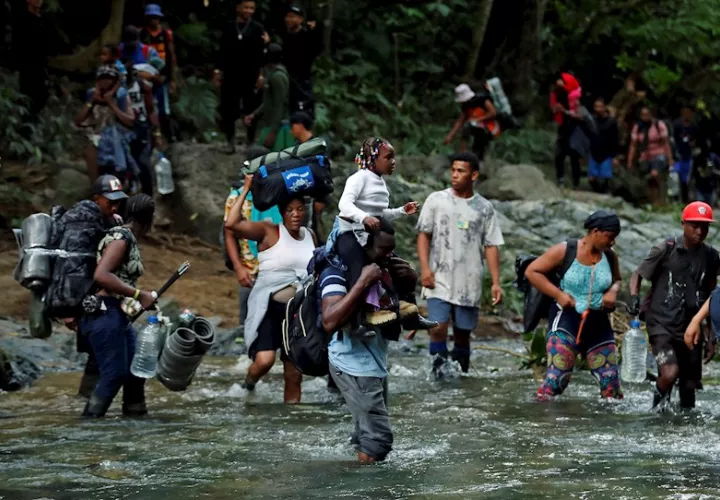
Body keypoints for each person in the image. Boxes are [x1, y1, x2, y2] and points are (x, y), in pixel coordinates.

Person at [224, 177, 316, 404]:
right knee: (264, 362)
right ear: (281, 213)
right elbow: (231, 224)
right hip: (271, 311)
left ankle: (290, 424)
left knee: (294, 375)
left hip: (297, 315)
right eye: (290, 210)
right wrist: (245, 189)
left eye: (299, 209)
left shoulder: (310, 236)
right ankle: (249, 384)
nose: (296, 214)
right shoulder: (268, 231)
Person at [330, 137, 433, 335]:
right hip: (350, 233)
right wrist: (363, 217)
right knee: (358, 269)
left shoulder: (379, 182)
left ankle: (410, 314)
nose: (393, 161)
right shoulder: (359, 178)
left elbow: (380, 214)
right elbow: (344, 205)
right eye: (388, 157)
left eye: (393, 157)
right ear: (373, 159)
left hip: (371, 236)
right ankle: (356, 321)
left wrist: (402, 211)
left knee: (401, 269)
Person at [321, 219, 404, 463]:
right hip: (353, 364)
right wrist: (362, 282)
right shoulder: (336, 272)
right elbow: (329, 320)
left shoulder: (382, 269)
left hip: (374, 363)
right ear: (364, 245)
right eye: (384, 249)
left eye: (392, 249)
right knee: (378, 441)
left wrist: (407, 281)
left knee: (365, 436)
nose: (389, 255)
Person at [416, 152, 504, 376]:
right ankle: (437, 375)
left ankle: (461, 376)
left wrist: (495, 282)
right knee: (437, 328)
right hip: (438, 276)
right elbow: (424, 235)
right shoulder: (436, 200)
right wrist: (425, 268)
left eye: (461, 171)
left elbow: (491, 245)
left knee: (463, 333)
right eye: (453, 170)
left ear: (474, 175)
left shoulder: (484, 208)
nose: (454, 175)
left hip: (469, 280)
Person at [629, 202, 719, 410]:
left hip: (691, 328)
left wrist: (711, 332)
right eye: (695, 225)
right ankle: (655, 409)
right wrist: (634, 296)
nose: (700, 231)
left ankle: (682, 431)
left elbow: (713, 295)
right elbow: (638, 274)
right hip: (661, 324)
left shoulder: (712, 257)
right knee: (669, 373)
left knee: (689, 388)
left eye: (704, 226)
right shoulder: (666, 249)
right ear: (683, 224)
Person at [525, 211, 623, 400]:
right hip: (566, 319)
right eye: (610, 237)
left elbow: (617, 279)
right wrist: (558, 294)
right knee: (556, 381)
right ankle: (541, 422)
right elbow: (532, 271)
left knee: (610, 386)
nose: (612, 243)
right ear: (595, 231)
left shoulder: (610, 256)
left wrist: (613, 291)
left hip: (598, 322)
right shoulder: (565, 250)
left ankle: (609, 427)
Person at [79, 194, 157, 417]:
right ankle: (88, 426)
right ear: (148, 218)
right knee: (113, 375)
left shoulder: (126, 236)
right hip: (104, 312)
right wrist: (139, 294)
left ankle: (135, 422)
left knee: (135, 372)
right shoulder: (121, 238)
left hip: (118, 313)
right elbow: (102, 275)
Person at [75, 175, 129, 399]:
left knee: (96, 355)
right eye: (110, 201)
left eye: (118, 202)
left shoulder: (111, 222)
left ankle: (83, 398)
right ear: (96, 199)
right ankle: (87, 407)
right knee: (98, 354)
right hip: (82, 299)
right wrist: (69, 311)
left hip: (100, 299)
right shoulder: (80, 222)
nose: (115, 206)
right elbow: (74, 266)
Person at [223, 147, 283, 330]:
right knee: (248, 318)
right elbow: (229, 233)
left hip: (277, 268)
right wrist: (238, 267)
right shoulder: (237, 198)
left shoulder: (278, 195)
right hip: (250, 269)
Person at [216, 0, 268, 153]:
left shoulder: (258, 28)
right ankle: (229, 141)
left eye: (252, 8)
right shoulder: (229, 27)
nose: (249, 11)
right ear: (238, 7)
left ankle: (250, 142)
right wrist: (218, 71)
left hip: (250, 74)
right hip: (230, 74)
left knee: (250, 107)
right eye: (246, 7)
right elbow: (222, 50)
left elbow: (261, 53)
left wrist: (261, 74)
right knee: (228, 108)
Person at [74, 65, 136, 188]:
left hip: (119, 134)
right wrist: (92, 101)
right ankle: (96, 187)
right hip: (98, 134)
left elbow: (130, 121)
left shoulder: (121, 95)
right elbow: (78, 120)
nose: (105, 82)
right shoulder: (92, 94)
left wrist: (110, 103)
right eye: (102, 79)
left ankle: (123, 182)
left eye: (109, 79)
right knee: (91, 150)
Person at [245, 43, 294, 152]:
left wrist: (273, 131)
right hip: (271, 124)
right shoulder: (272, 75)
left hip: (279, 127)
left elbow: (279, 104)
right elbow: (268, 102)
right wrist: (254, 114)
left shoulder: (277, 77)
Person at [277, 4, 323, 116]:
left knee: (302, 111)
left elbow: (317, 49)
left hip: (302, 80)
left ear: (300, 19)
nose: (289, 20)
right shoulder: (286, 36)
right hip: (286, 78)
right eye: (287, 16)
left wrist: (314, 33)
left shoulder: (307, 36)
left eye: (293, 17)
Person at [140, 4, 177, 142]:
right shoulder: (142, 34)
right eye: (150, 18)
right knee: (147, 105)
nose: (153, 20)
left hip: (163, 75)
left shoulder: (166, 34)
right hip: (147, 74)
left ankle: (170, 136)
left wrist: (172, 79)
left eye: (155, 17)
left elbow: (171, 55)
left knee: (164, 107)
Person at [289, 111, 328, 240]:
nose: (291, 131)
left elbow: (324, 173)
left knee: (312, 231)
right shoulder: (297, 147)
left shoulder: (316, 146)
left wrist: (321, 199)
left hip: (313, 197)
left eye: (292, 127)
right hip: (300, 195)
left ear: (300, 126)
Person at [627, 106, 675, 206]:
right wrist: (630, 161)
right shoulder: (638, 127)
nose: (644, 117)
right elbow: (633, 145)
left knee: (655, 174)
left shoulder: (658, 125)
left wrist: (670, 159)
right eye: (642, 115)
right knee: (648, 180)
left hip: (659, 155)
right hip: (644, 156)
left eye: (646, 114)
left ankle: (660, 200)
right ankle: (652, 201)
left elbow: (666, 143)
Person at [124, 58, 158, 196]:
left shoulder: (142, 86)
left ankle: (148, 193)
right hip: (124, 127)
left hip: (141, 126)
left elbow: (150, 108)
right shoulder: (117, 88)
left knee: (142, 160)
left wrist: (155, 127)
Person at [444, 83, 499, 166]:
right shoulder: (466, 107)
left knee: (469, 128)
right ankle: (465, 157)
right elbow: (460, 121)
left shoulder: (482, 100)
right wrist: (450, 136)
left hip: (490, 129)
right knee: (476, 150)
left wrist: (478, 119)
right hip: (478, 129)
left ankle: (467, 157)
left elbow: (493, 112)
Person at [13, 0, 49, 118]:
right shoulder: (23, 19)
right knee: (28, 97)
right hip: (28, 66)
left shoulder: (42, 20)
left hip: (41, 66)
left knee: (41, 97)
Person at [550, 73, 584, 188]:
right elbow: (553, 109)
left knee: (574, 155)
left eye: (562, 81)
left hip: (574, 128)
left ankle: (576, 183)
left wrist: (565, 111)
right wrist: (557, 109)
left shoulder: (575, 95)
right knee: (559, 155)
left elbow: (580, 115)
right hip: (562, 128)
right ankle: (560, 180)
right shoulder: (556, 94)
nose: (559, 82)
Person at [588, 98, 619, 194]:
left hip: (607, 153)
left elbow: (615, 139)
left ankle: (604, 194)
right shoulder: (592, 120)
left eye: (600, 107)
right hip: (594, 152)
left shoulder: (611, 122)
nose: (598, 109)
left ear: (604, 107)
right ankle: (598, 192)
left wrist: (614, 156)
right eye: (596, 107)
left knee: (605, 178)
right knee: (591, 179)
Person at [673, 106, 701, 203]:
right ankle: (675, 200)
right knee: (675, 178)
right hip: (677, 157)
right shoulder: (677, 125)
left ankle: (686, 201)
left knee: (686, 180)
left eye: (688, 113)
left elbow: (697, 141)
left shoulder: (694, 127)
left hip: (688, 157)